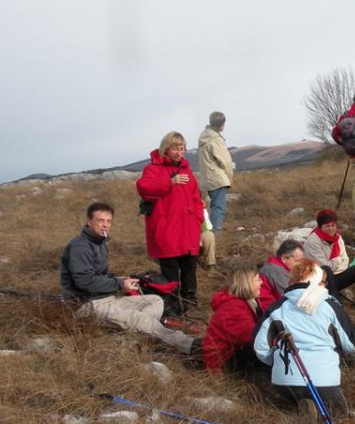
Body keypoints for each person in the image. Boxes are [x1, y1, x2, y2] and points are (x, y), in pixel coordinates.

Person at [59, 202, 195, 355]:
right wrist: (119, 284)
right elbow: (85, 281)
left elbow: (99, 275)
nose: (105, 225)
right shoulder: (80, 246)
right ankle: (191, 345)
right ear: (89, 221)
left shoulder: (100, 243)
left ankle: (132, 339)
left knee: (155, 301)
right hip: (87, 305)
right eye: (100, 220)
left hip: (105, 298)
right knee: (139, 318)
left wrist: (119, 279)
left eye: (108, 221)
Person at [253, 260, 355, 416]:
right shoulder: (329, 305)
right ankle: (316, 412)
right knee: (338, 414)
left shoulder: (277, 307)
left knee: (291, 404)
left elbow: (260, 346)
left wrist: (277, 360)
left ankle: (299, 408)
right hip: (323, 382)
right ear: (317, 281)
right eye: (323, 281)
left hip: (283, 382)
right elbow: (353, 344)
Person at [135, 131, 204, 316]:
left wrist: (199, 220)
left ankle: (190, 305)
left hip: (188, 230)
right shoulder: (153, 169)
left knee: (190, 271)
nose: (179, 152)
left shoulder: (186, 170)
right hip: (168, 232)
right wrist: (169, 182)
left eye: (182, 148)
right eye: (175, 148)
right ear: (166, 149)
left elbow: (197, 198)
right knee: (171, 275)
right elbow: (143, 187)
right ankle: (173, 308)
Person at [302, 208, 355, 312]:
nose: (331, 229)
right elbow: (323, 267)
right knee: (326, 269)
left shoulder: (337, 237)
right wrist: (337, 262)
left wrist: (336, 265)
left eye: (333, 225)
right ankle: (336, 306)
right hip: (321, 281)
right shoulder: (313, 241)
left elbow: (345, 260)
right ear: (320, 227)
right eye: (327, 226)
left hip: (337, 274)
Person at [203, 266, 265, 374]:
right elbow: (251, 337)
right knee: (267, 353)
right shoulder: (233, 307)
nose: (262, 282)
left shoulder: (248, 301)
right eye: (257, 279)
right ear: (246, 284)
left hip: (233, 351)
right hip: (222, 361)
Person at [196, 111, 234, 232]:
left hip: (208, 177)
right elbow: (225, 161)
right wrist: (229, 176)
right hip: (217, 177)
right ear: (221, 124)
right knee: (218, 207)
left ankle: (211, 230)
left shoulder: (204, 137)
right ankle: (215, 232)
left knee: (214, 205)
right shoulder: (215, 139)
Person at [258, 239, 305, 310]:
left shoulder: (279, 267)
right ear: (284, 258)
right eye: (297, 260)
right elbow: (292, 294)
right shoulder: (275, 270)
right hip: (271, 311)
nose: (300, 264)